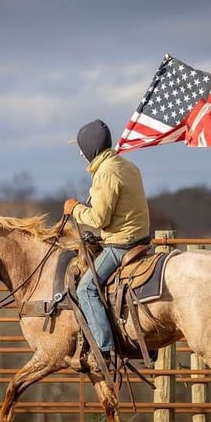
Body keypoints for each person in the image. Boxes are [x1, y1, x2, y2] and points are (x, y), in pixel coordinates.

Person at [63, 119, 150, 372]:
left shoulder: (106, 172)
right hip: (140, 238)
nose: (80, 153)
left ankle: (104, 349)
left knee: (86, 289)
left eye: (81, 148)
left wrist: (75, 209)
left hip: (121, 244)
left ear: (91, 147)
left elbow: (99, 218)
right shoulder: (128, 166)